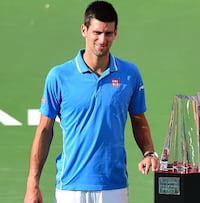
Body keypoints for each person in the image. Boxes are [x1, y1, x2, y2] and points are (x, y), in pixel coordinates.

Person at [24, 1, 160, 203]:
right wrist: (32, 185)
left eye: (108, 33)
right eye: (96, 32)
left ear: (115, 33)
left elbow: (138, 119)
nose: (102, 39)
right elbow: (44, 131)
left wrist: (149, 152)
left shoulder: (130, 75)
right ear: (84, 30)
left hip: (114, 186)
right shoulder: (59, 76)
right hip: (70, 187)